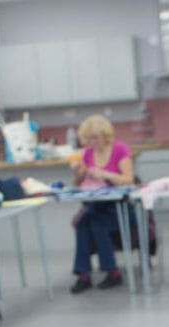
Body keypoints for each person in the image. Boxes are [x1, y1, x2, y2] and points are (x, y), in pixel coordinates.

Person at [68, 115, 134, 294]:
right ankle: (83, 275)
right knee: (83, 223)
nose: (91, 142)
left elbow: (129, 180)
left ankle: (112, 271)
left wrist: (106, 175)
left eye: (95, 137)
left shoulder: (120, 149)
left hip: (119, 207)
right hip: (94, 205)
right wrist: (78, 172)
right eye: (88, 138)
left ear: (105, 135)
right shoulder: (88, 153)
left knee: (96, 223)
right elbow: (77, 183)